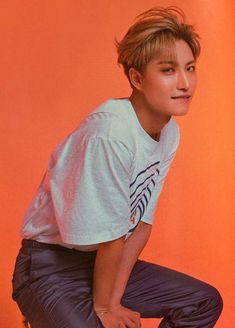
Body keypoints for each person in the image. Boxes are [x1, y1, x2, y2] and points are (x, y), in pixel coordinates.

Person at [12, 6, 223, 328]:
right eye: (168, 70)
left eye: (190, 68)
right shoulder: (110, 133)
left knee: (203, 301)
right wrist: (105, 308)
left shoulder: (169, 132)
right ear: (137, 78)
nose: (185, 83)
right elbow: (110, 236)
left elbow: (140, 222)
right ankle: (43, 311)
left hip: (105, 261)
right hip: (50, 266)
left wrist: (111, 300)